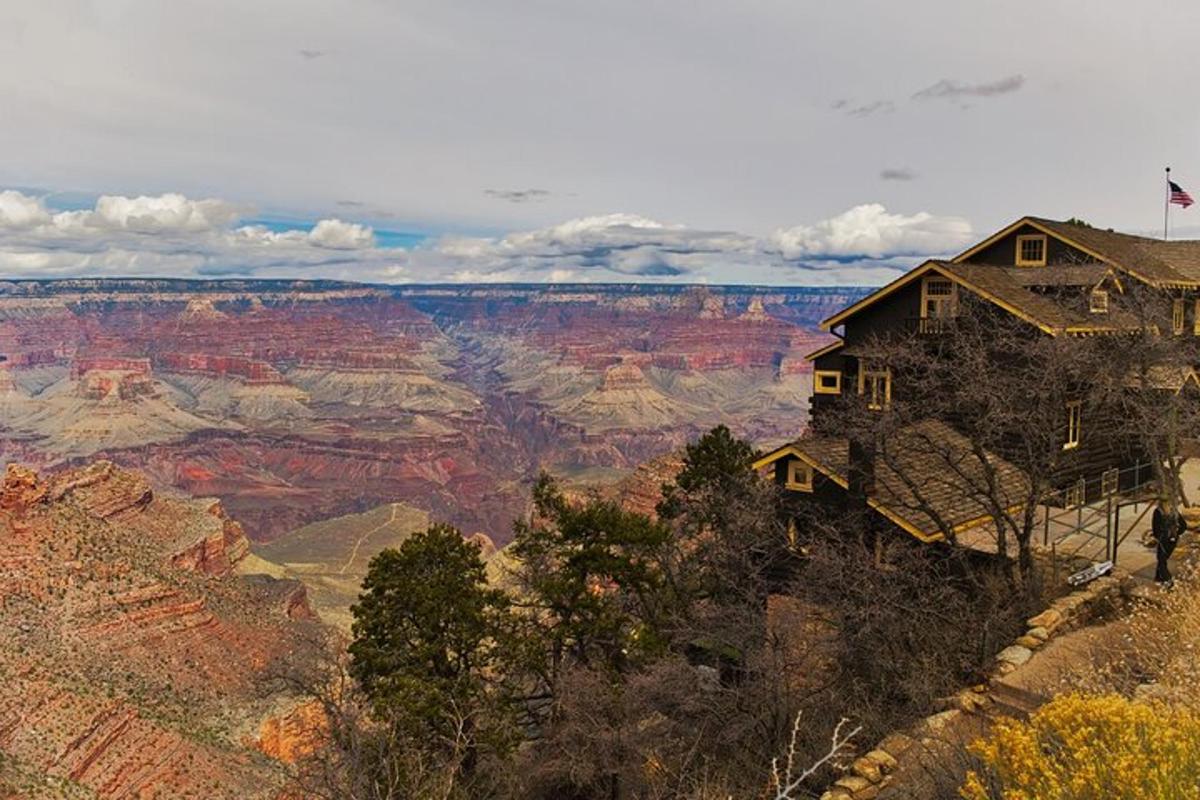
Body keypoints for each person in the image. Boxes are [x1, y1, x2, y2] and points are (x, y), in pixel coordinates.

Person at [1151, 499, 1185, 585]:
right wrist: (1177, 533)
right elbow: (1184, 525)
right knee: (1163, 559)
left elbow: (1155, 528)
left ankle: (1168, 581)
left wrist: (1158, 537)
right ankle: (1158, 577)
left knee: (1161, 560)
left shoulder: (1158, 512)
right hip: (1173, 539)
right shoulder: (1174, 511)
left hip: (1163, 539)